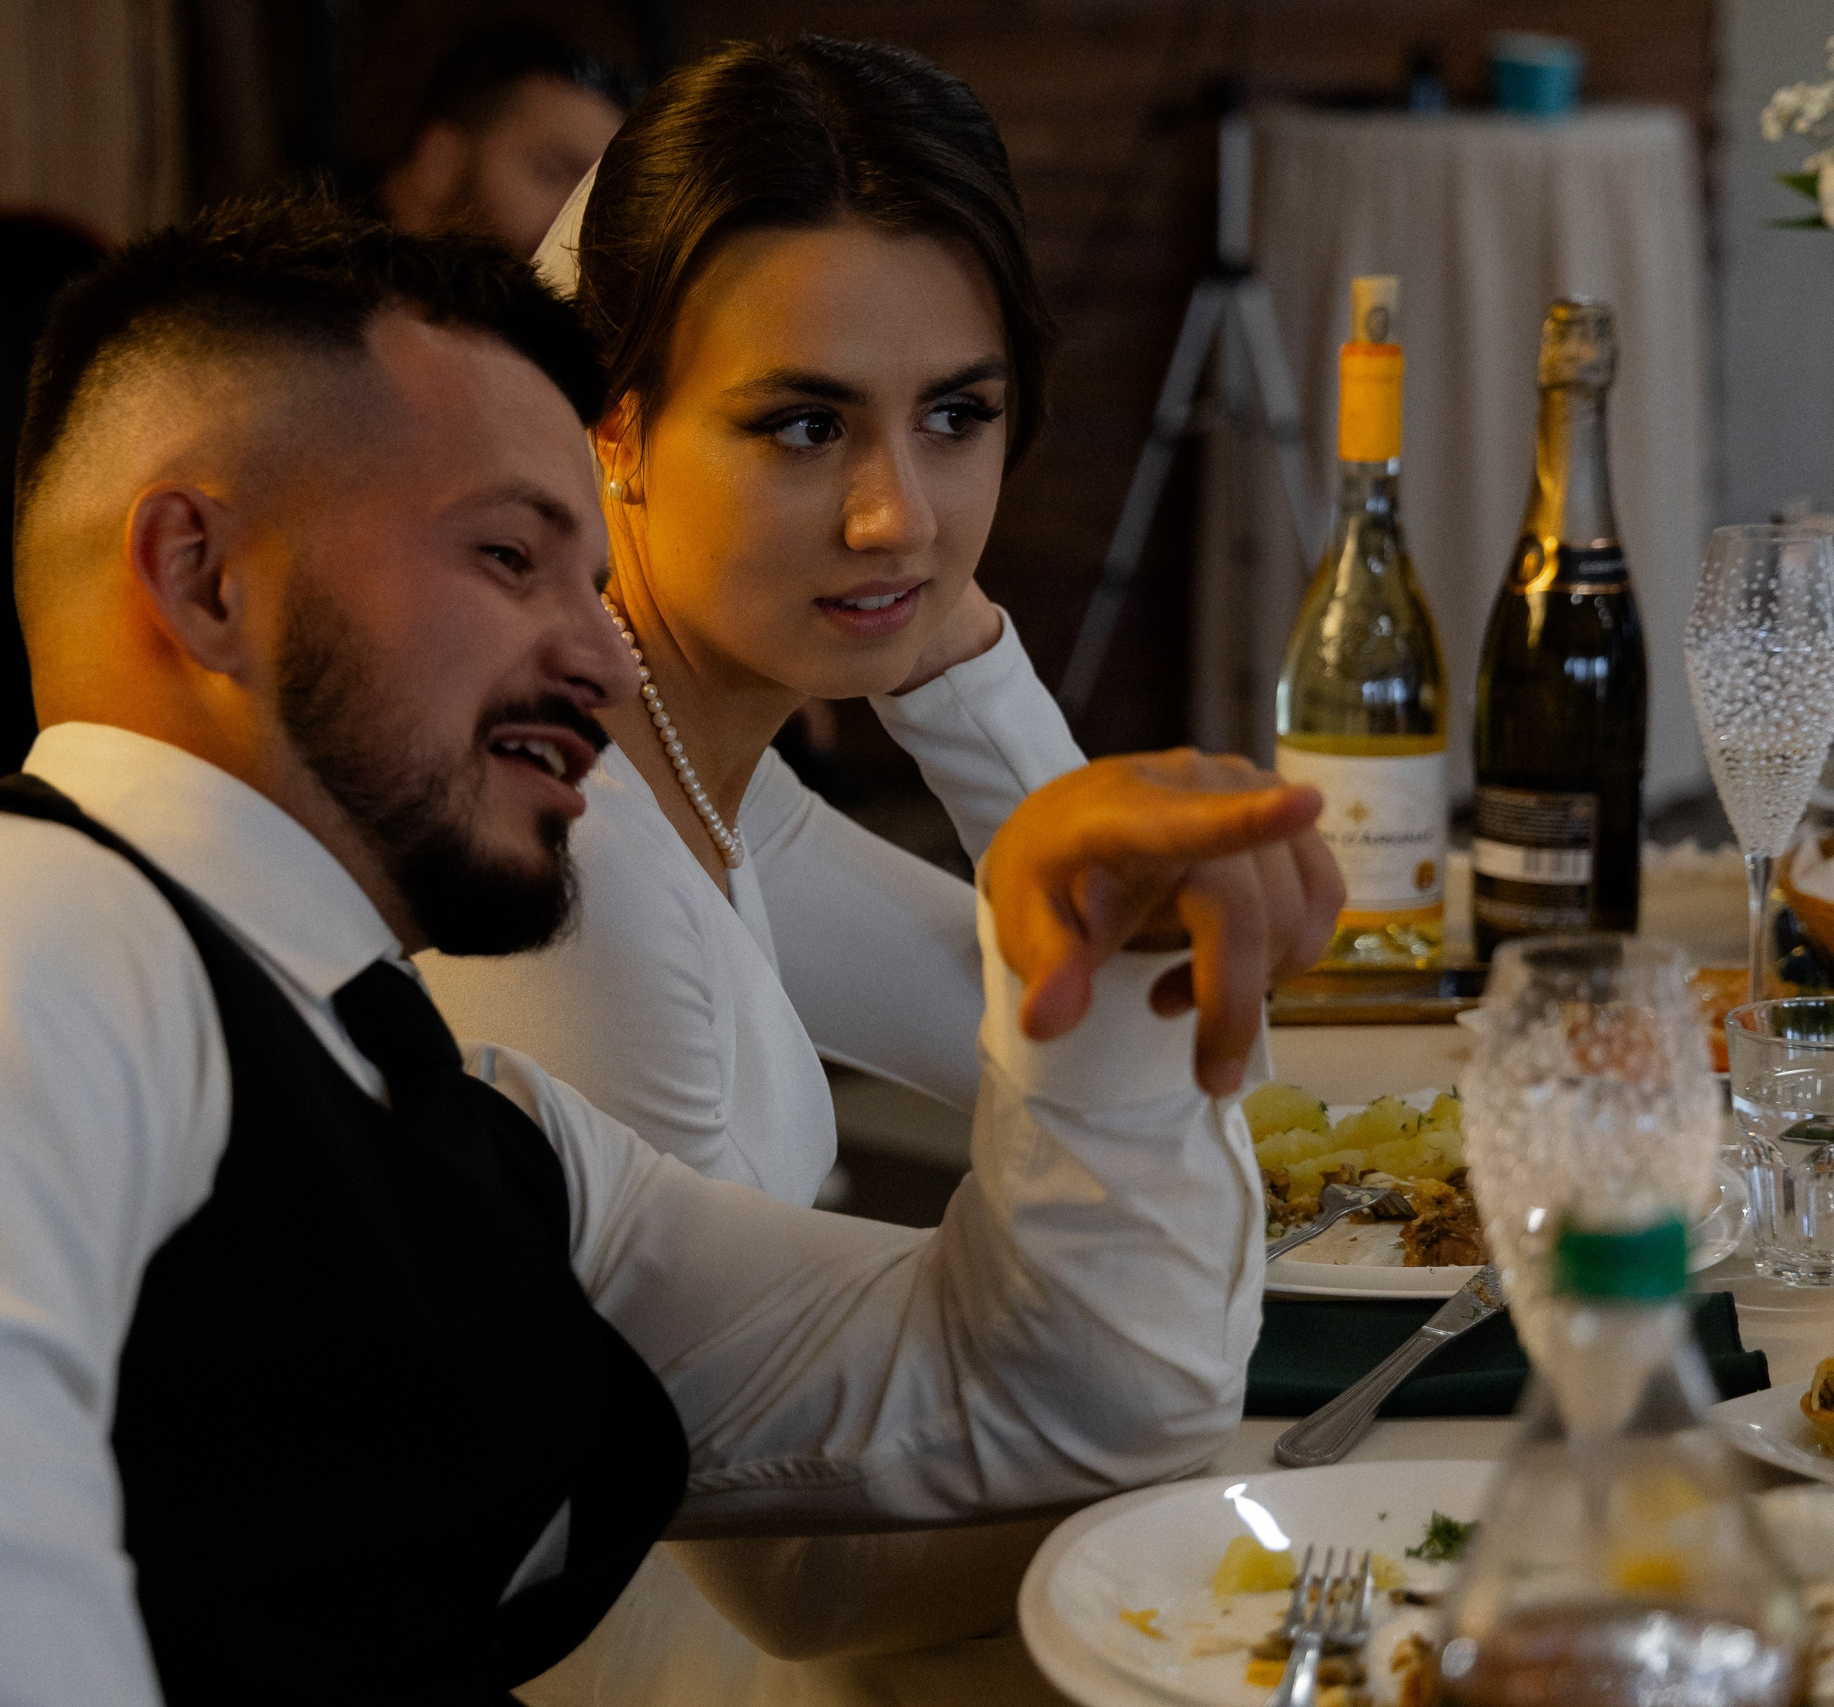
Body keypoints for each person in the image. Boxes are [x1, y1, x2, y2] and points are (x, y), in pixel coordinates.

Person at [0, 190, 1333, 1704]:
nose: (596, 647)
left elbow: (1061, 1400)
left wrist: (1102, 1011)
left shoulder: (459, 1123)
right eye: (510, 557)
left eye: (594, 570)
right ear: (203, 573)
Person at [416, 35, 1327, 1703]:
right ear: (613, 427)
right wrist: (1195, 1482)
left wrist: (966, 667)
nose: (895, 514)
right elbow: (790, 1573)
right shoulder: (579, 871)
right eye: (802, 425)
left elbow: (1162, 1026)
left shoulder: (696, 761)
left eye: (954, 416)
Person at [374, 20, 633, 258]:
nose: (585, 223)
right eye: (553, 172)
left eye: (599, 195)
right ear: (439, 159)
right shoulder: (343, 295)